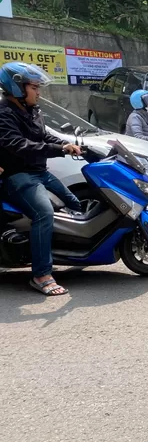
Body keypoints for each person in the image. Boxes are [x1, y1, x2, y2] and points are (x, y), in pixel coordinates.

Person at [0, 62, 83, 296]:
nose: (38, 92)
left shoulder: (31, 110)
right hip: (19, 176)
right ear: (17, 87)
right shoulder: (4, 113)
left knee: (74, 203)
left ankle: (68, 253)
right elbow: (19, 145)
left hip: (40, 172)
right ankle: (41, 275)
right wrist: (58, 150)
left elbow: (41, 135)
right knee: (43, 213)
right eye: (34, 87)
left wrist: (66, 144)